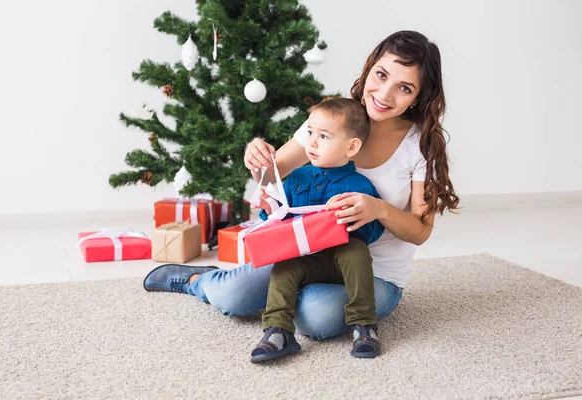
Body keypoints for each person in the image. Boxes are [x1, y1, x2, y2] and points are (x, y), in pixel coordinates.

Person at [143, 30, 459, 349]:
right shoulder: (335, 117)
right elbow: (273, 175)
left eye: (404, 88)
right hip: (307, 250)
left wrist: (379, 209)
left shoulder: (420, 145)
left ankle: (290, 293)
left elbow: (420, 231)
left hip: (375, 275)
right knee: (230, 296)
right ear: (369, 67)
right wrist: (257, 156)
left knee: (314, 317)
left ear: (417, 97)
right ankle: (200, 280)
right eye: (381, 75)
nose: (385, 94)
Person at [251, 98, 384, 362]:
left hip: (340, 263)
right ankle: (278, 331)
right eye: (310, 132)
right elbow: (280, 220)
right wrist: (269, 207)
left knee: (355, 250)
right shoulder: (298, 178)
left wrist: (352, 216)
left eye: (323, 136)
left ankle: (364, 326)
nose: (311, 142)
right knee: (283, 265)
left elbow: (371, 234)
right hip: (306, 260)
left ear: (351, 147)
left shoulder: (359, 186)